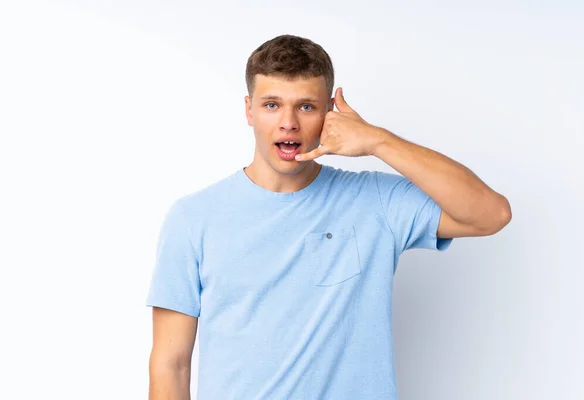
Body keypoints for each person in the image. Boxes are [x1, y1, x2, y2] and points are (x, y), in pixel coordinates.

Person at [146, 34, 511, 400]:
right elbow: (171, 364)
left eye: (306, 107)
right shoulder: (193, 219)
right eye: (272, 104)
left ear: (329, 114)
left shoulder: (376, 201)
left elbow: (490, 214)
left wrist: (378, 141)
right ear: (249, 110)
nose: (288, 123)